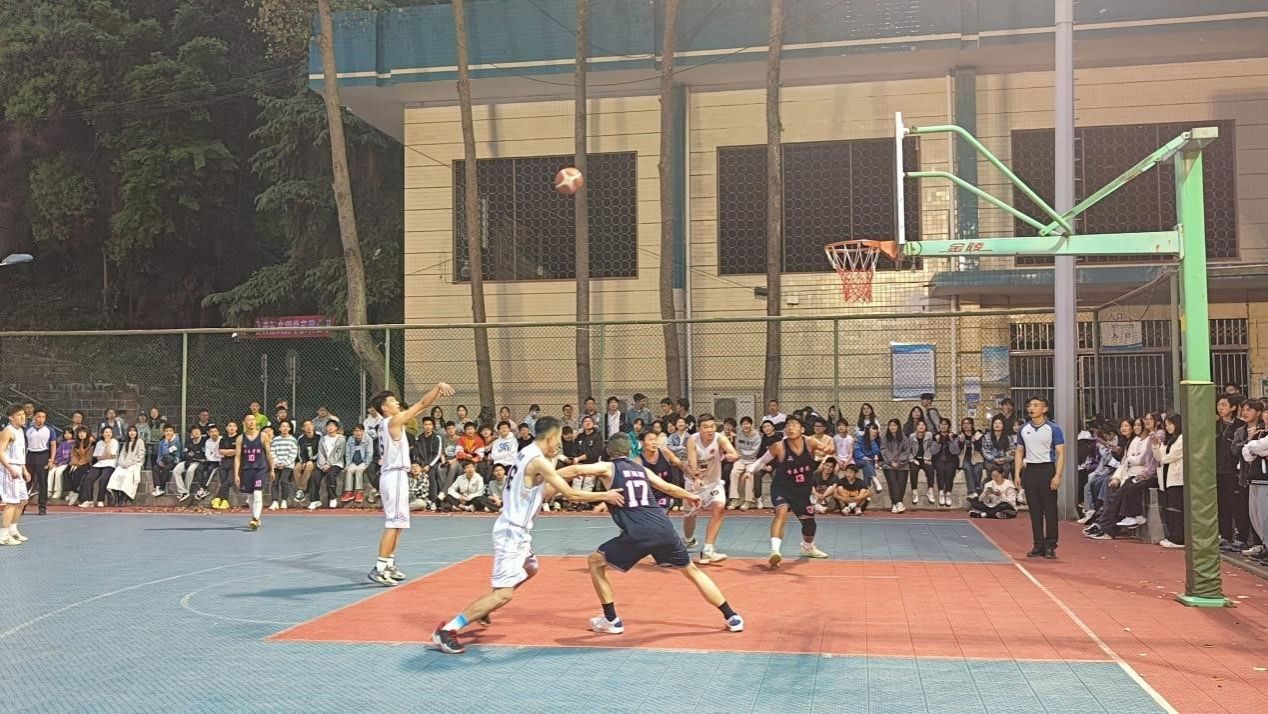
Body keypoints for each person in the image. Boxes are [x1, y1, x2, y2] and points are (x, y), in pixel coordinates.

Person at [431, 417, 624, 654]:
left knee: (531, 567)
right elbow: (571, 495)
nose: (559, 445)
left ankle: (485, 607)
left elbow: (544, 488)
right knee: (504, 594)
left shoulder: (526, 452)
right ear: (551, 437)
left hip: (519, 531)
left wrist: (567, 470)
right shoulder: (537, 460)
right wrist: (605, 495)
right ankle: (448, 630)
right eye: (558, 440)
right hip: (511, 532)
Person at [577, 434, 745, 636]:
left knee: (595, 562)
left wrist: (547, 474)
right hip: (664, 528)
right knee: (692, 571)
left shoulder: (608, 467)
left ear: (608, 451)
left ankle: (611, 619)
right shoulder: (641, 469)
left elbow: (576, 470)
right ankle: (731, 616)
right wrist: (689, 495)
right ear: (630, 450)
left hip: (640, 532)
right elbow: (667, 487)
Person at [367, 383, 454, 587]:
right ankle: (379, 567)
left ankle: (389, 563)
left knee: (399, 525)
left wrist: (434, 396)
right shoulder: (393, 421)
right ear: (385, 408)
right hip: (394, 476)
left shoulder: (387, 423)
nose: (397, 403)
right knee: (393, 524)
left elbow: (422, 406)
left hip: (396, 475)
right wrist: (437, 388)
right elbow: (422, 403)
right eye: (392, 401)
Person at [744, 415, 829, 566]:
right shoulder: (779, 446)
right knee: (781, 513)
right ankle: (775, 551)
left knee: (810, 525)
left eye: (794, 425)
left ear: (802, 429)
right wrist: (750, 471)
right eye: (788, 425)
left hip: (802, 491)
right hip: (781, 488)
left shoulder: (810, 443)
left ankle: (807, 547)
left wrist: (829, 454)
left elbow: (830, 449)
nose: (790, 428)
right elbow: (762, 460)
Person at [681, 414, 739, 564]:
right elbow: (692, 462)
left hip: (714, 483)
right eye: (705, 427)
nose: (710, 430)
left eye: (712, 426)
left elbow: (734, 453)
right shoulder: (692, 440)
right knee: (689, 516)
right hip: (694, 484)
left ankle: (708, 550)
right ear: (699, 428)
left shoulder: (720, 438)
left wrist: (729, 456)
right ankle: (688, 540)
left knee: (719, 507)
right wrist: (696, 477)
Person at [1015, 397, 1065, 559]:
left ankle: (1050, 545)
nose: (1032, 408)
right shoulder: (1023, 429)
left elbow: (1060, 453)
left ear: (1045, 409)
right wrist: (1017, 473)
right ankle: (1038, 544)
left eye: (1036, 405)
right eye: (1030, 405)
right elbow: (1019, 452)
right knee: (1034, 510)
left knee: (1050, 509)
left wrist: (1058, 475)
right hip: (1030, 470)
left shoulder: (1053, 429)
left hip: (1047, 469)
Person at [235, 413, 275, 531]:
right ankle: (255, 517)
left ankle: (256, 518)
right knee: (250, 496)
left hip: (260, 468)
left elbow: (268, 453)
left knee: (257, 493)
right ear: (244, 423)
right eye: (248, 420)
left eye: (253, 420)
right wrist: (236, 474)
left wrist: (272, 469)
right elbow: (237, 457)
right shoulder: (240, 438)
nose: (251, 422)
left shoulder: (263, 436)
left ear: (256, 422)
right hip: (247, 469)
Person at [0, 405, 31, 546]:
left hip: (18, 467)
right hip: (9, 468)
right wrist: (10, 468)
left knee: (22, 500)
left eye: (23, 414)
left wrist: (24, 469)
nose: (23, 417)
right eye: (19, 415)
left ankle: (13, 529)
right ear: (11, 417)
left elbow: (20, 453)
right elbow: (0, 452)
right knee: (12, 502)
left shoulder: (20, 431)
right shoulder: (7, 432)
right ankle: (3, 535)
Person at [24, 409, 57, 515]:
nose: (41, 419)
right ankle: (22, 505)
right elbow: (24, 444)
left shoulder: (50, 430)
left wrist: (51, 459)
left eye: (43, 417)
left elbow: (53, 445)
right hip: (30, 455)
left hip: (43, 455)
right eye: (39, 417)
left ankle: (42, 507)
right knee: (27, 480)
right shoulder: (28, 430)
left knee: (43, 482)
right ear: (34, 417)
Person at [727, 416, 762, 510]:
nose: (745, 426)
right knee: (734, 473)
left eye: (747, 424)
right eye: (743, 424)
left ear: (751, 425)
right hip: (740, 459)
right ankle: (734, 499)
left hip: (752, 460)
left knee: (749, 475)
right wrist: (741, 454)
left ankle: (748, 501)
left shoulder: (756, 436)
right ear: (741, 426)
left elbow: (754, 451)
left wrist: (743, 453)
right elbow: (738, 448)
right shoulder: (739, 434)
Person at [78, 426, 118, 508]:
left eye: (110, 432)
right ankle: (89, 501)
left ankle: (100, 500)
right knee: (88, 478)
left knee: (103, 479)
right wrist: (106, 455)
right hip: (99, 464)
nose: (108, 434)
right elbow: (98, 457)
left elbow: (112, 455)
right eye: (106, 432)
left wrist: (107, 444)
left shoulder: (114, 442)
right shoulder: (99, 443)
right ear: (102, 434)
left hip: (110, 464)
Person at [106, 425, 145, 505]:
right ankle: (115, 493)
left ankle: (124, 496)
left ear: (137, 432)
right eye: (130, 431)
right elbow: (122, 455)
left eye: (134, 431)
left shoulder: (140, 441)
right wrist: (122, 463)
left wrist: (130, 463)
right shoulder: (126, 443)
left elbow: (141, 455)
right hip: (124, 464)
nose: (132, 433)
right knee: (117, 472)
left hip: (135, 463)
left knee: (128, 475)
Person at [269, 419, 298, 510]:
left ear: (290, 428)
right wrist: (276, 462)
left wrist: (285, 463)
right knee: (274, 481)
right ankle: (275, 501)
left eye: (287, 426)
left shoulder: (293, 440)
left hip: (288, 465)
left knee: (284, 481)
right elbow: (272, 452)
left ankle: (284, 500)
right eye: (283, 426)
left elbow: (293, 454)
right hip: (276, 465)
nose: (285, 428)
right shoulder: (275, 440)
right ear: (279, 428)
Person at [212, 422, 241, 510]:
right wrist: (231, 451)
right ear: (226, 428)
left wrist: (227, 452)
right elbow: (220, 451)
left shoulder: (240, 438)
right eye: (230, 426)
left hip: (235, 462)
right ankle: (225, 501)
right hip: (224, 462)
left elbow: (239, 451)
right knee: (224, 481)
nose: (232, 428)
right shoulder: (223, 439)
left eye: (234, 426)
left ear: (236, 428)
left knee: (229, 481)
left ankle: (217, 497)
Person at [343, 424, 372, 504]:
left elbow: (369, 453)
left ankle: (359, 492)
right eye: (356, 431)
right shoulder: (350, 439)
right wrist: (348, 464)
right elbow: (348, 453)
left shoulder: (368, 439)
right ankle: (349, 492)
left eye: (360, 431)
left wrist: (366, 465)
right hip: (353, 462)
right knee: (349, 470)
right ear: (353, 432)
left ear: (363, 431)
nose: (358, 433)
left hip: (363, 462)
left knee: (359, 470)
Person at [152, 424, 180, 498]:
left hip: (174, 461)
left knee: (166, 468)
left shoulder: (176, 441)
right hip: (164, 461)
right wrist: (159, 462)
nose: (168, 433)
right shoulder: (162, 441)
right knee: (155, 467)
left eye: (170, 431)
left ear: (174, 432)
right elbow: (160, 454)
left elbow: (165, 452)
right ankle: (157, 488)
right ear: (164, 432)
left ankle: (162, 488)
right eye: (166, 431)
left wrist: (166, 442)